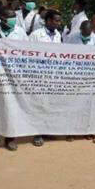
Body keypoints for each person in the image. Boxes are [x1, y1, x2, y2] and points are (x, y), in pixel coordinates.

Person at [0, 8, 28, 153]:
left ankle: (10, 138)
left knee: (12, 107)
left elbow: (28, 51)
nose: (13, 20)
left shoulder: (20, 32)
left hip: (13, 76)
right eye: (10, 18)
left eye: (14, 17)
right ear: (2, 19)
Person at [27, 9, 63, 147]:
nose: (58, 23)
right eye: (56, 20)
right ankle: (37, 133)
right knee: (38, 104)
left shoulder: (58, 35)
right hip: (38, 74)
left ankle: (47, 129)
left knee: (50, 103)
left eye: (59, 21)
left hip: (53, 74)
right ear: (48, 20)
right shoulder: (36, 35)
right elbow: (28, 54)